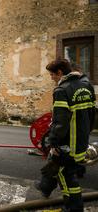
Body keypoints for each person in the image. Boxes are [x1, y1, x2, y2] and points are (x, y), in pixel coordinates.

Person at [35, 59, 95, 212]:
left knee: (65, 175)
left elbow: (60, 123)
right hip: (81, 141)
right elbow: (92, 115)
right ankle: (45, 188)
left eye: (52, 75)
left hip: (67, 145)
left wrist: (53, 143)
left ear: (60, 72)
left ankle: (74, 208)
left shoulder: (62, 90)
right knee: (61, 169)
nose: (51, 78)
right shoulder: (86, 86)